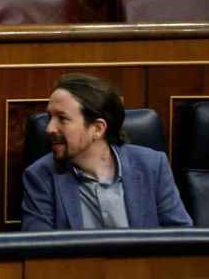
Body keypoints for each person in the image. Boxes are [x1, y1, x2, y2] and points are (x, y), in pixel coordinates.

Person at [21, 73, 191, 231]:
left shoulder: (152, 166)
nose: (49, 128)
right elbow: (38, 253)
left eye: (62, 119)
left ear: (97, 128)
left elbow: (181, 238)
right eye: (50, 117)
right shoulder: (40, 176)